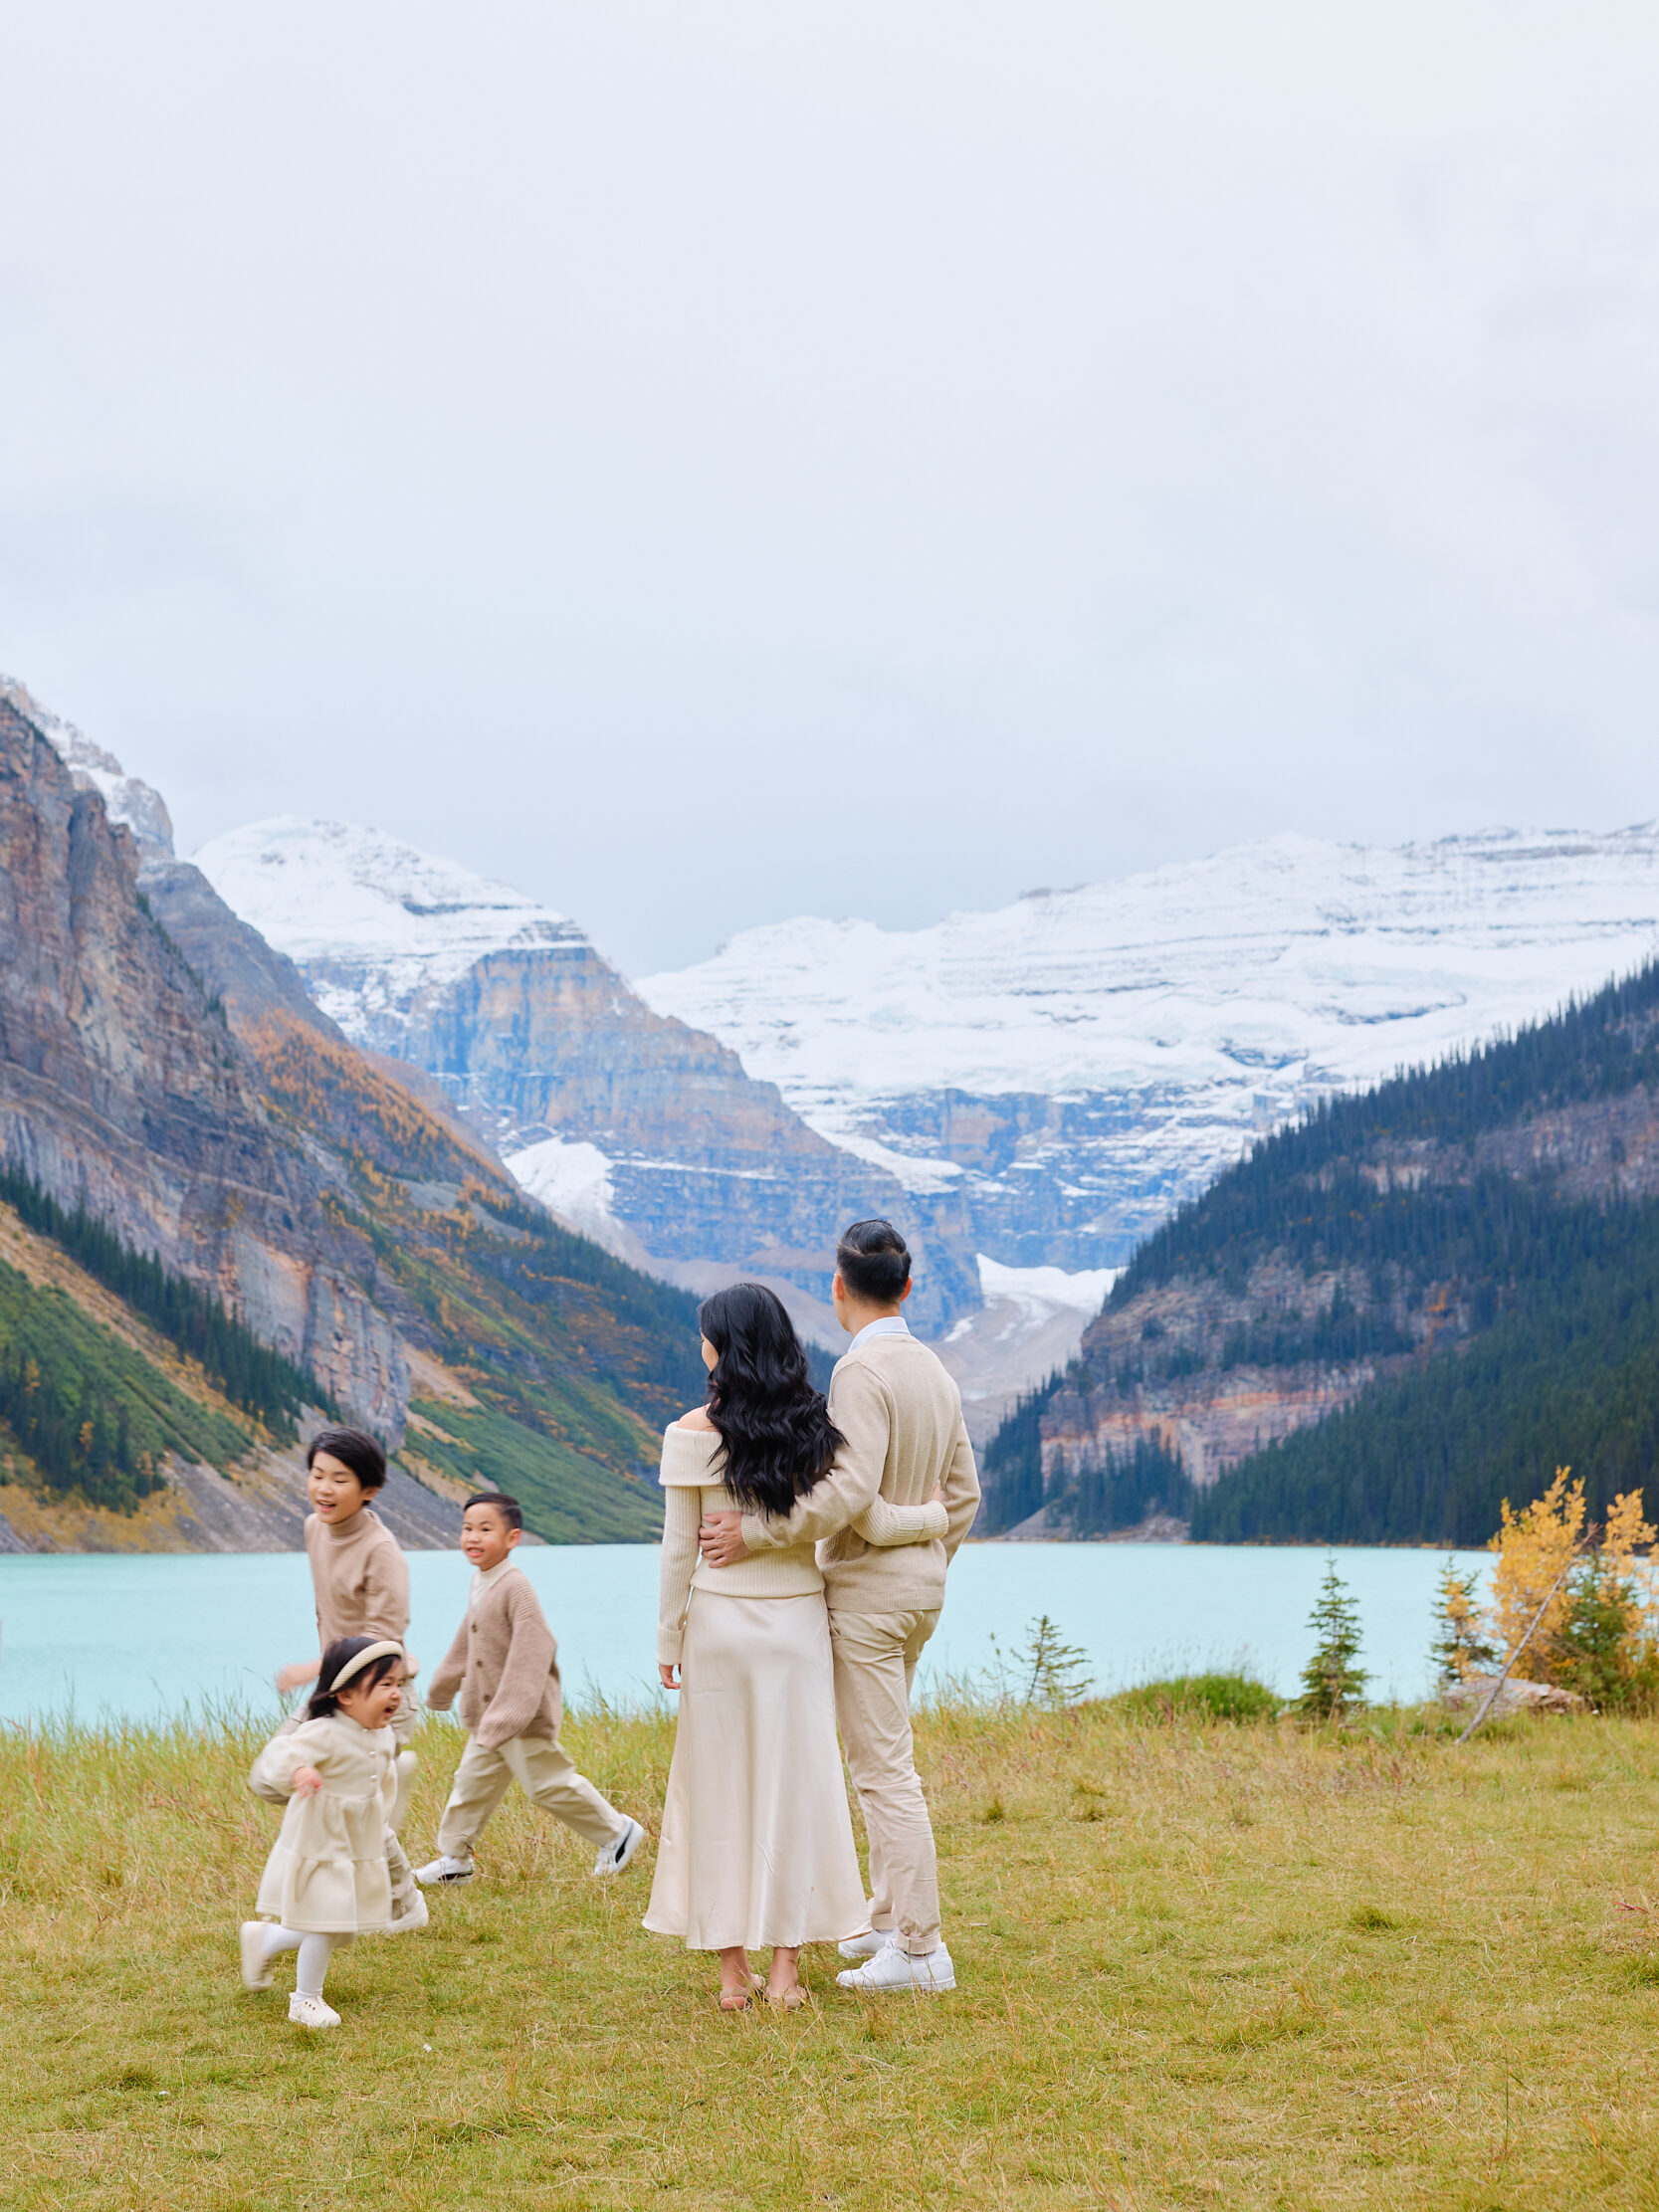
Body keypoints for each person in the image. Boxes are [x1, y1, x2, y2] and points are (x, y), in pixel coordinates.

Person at [644, 1283, 946, 2010]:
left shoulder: (689, 1432)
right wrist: (933, 1512)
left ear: (722, 1345)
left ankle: (730, 1977)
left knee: (717, 1792)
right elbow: (848, 1508)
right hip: (797, 1627)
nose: (700, 1345)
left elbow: (678, 1551)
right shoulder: (816, 1430)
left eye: (705, 1335)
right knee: (796, 1791)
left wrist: (667, 1636)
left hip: (719, 1626)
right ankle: (784, 1974)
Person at [699, 1220, 979, 1994]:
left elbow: (849, 1491)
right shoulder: (936, 1370)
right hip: (920, 1593)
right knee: (880, 1755)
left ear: (837, 1285)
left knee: (884, 1770)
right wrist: (925, 1549)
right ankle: (886, 1922)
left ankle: (921, 1950)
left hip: (865, 1596)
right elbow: (964, 1495)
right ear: (908, 1287)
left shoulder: (861, 1373)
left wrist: (758, 1532)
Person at [415, 1492, 644, 1887]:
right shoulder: (481, 1581)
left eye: (486, 1529)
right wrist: (443, 1686)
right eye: (467, 1528)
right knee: (470, 1784)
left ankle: (616, 1832)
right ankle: (455, 1859)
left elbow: (534, 1649)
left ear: (512, 1538)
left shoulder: (515, 1586)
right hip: (490, 1719)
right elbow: (469, 1639)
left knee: (548, 1784)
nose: (473, 1536)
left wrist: (509, 1714)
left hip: (519, 1718)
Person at [269, 1426, 425, 1931]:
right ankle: (354, 1889)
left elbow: (385, 1641)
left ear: (369, 1489)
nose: (324, 1488)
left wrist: (312, 1668)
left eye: (340, 1479)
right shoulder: (316, 1527)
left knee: (352, 1802)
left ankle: (401, 1906)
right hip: (334, 1691)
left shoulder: (382, 1551)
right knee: (274, 1775)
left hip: (380, 1694)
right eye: (317, 1475)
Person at [240, 1636, 407, 2028]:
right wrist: (299, 1769)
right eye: (384, 1685)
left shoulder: (383, 1735)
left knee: (338, 1923)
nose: (396, 1694)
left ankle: (266, 1940)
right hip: (320, 1839)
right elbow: (279, 1752)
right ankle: (304, 2001)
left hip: (354, 1841)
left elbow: (383, 1780)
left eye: (398, 1684)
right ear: (346, 1695)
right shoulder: (326, 1731)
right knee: (326, 1919)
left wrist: (380, 1821)